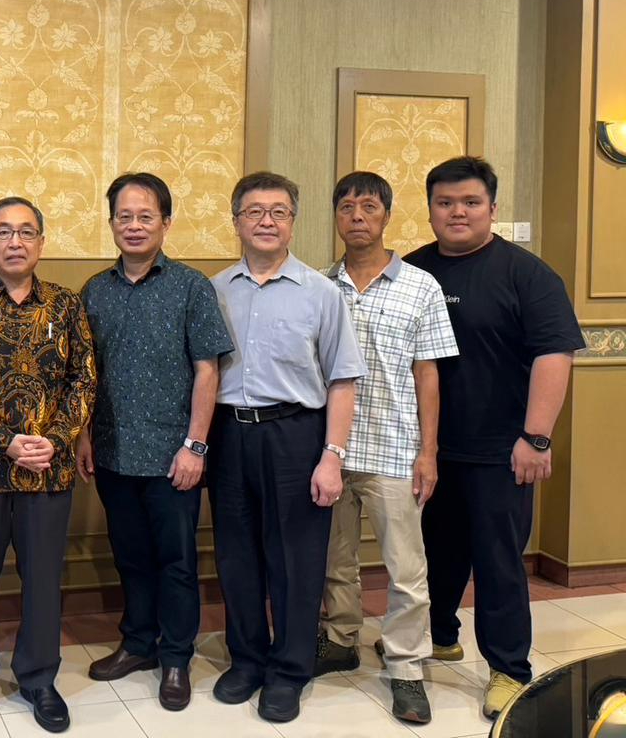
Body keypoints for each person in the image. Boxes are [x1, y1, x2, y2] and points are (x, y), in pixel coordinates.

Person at [405, 156, 583, 719]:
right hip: (428, 449)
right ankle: (439, 634)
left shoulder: (526, 274)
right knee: (435, 552)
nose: (457, 212)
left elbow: (554, 354)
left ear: (492, 209)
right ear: (431, 209)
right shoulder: (411, 271)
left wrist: (536, 438)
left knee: (499, 562)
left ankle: (510, 669)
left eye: (470, 202)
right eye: (445, 203)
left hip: (501, 451)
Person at [208, 170, 366, 724]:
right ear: (236, 222)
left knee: (297, 559)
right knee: (236, 553)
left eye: (278, 211)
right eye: (254, 211)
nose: (267, 221)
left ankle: (290, 669)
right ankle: (247, 660)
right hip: (229, 434)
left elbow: (343, 380)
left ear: (293, 221)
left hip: (298, 434)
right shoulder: (214, 289)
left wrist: (332, 456)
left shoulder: (322, 293)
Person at [78, 173, 232, 712]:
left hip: (175, 457)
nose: (135, 225)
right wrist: (83, 435)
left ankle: (175, 657)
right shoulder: (95, 290)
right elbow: (84, 374)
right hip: (114, 452)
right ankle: (138, 643)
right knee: (131, 557)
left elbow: (208, 371)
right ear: (113, 223)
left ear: (166, 222)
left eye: (146, 216)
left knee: (177, 561)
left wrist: (196, 446)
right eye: (125, 216)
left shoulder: (193, 287)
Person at [0, 197, 97, 734]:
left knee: (43, 579)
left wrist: (54, 439)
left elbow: (84, 380)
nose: (15, 242)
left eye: (26, 232)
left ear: (41, 243)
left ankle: (38, 677)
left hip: (49, 471)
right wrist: (5, 440)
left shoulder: (66, 306)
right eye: (3, 232)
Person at [315, 171, 458, 724]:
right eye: (346, 206)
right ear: (335, 216)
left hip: (397, 451)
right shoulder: (320, 285)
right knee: (336, 559)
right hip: (333, 452)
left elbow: (429, 375)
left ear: (387, 216)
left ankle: (405, 668)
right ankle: (340, 638)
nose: (357, 216)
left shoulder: (420, 286)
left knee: (405, 570)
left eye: (368, 207)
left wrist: (429, 451)